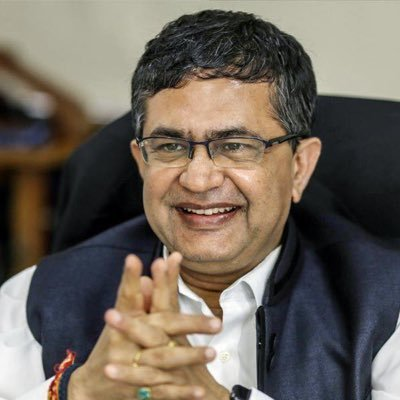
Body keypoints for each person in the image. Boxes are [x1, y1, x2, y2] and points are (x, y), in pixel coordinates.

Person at [0, 9, 399, 400]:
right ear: (141, 163)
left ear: (299, 167)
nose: (198, 179)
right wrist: (75, 391)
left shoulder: (387, 305)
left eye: (235, 146)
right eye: (170, 146)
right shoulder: (38, 298)